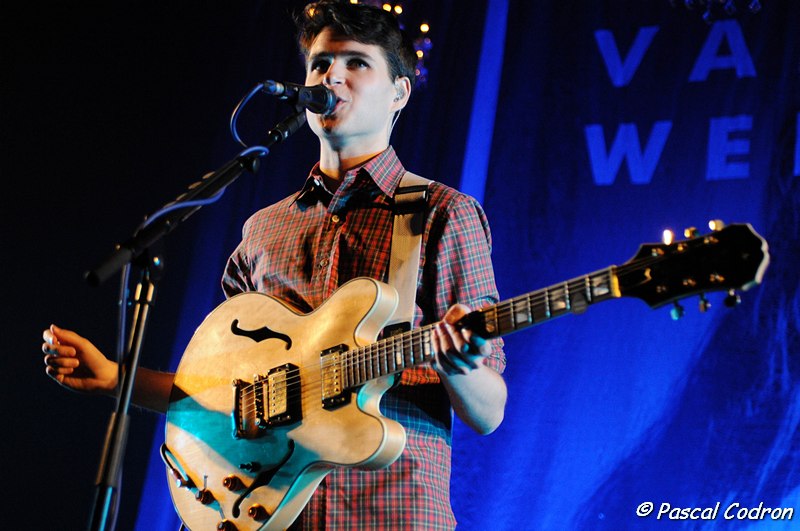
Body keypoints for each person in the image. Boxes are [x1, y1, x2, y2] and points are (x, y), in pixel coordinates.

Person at [42, 1, 507, 528]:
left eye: (357, 62)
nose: (332, 75)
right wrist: (116, 378)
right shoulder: (262, 229)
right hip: (263, 513)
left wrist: (458, 364)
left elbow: (488, 412)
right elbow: (226, 392)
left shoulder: (441, 214)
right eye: (320, 63)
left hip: (388, 513)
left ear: (399, 93)